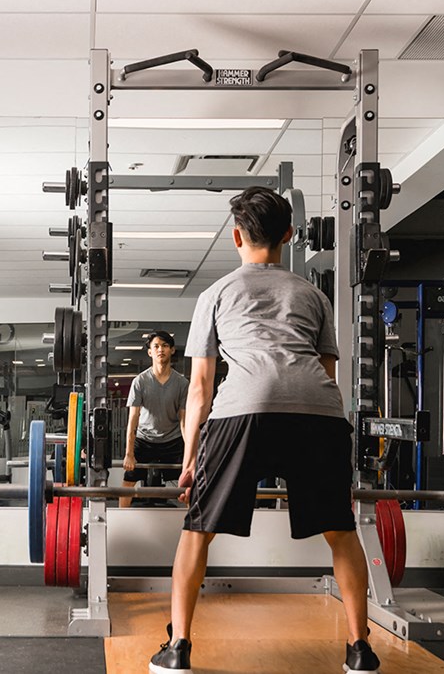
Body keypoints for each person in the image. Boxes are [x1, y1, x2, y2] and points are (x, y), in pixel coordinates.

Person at [148, 187, 379, 674]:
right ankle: (360, 650)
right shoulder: (313, 294)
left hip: (242, 410)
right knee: (340, 530)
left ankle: (179, 649)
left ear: (236, 236)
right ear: (289, 237)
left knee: (197, 531)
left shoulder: (215, 294)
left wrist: (190, 459)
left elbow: (201, 389)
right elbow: (329, 376)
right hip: (317, 411)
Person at [120, 331, 189, 508]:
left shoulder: (182, 383)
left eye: (165, 346)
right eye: (156, 346)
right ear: (150, 352)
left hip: (172, 441)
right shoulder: (140, 381)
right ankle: (120, 522)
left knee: (188, 483)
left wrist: (190, 453)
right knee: (128, 484)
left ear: (172, 350)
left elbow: (183, 421)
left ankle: (194, 525)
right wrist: (129, 454)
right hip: (144, 440)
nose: (160, 350)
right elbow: (133, 419)